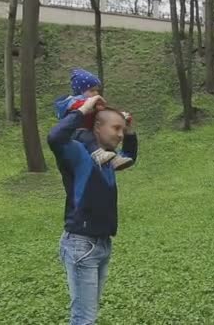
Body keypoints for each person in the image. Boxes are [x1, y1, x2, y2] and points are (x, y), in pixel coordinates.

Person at [47, 95, 138, 325]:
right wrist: (83, 110)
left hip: (101, 244)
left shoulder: (107, 159)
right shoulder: (79, 153)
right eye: (116, 128)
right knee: (84, 319)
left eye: (122, 130)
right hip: (81, 244)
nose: (119, 134)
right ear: (97, 126)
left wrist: (130, 131)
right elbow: (55, 137)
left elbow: (130, 157)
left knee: (87, 316)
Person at [54, 68, 133, 170]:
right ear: (80, 91)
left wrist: (120, 116)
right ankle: (98, 155)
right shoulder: (74, 101)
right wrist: (92, 105)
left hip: (91, 130)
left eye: (97, 90)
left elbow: (105, 114)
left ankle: (114, 159)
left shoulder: (93, 102)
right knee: (88, 137)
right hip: (77, 132)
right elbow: (77, 108)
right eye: (92, 90)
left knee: (103, 138)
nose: (96, 93)